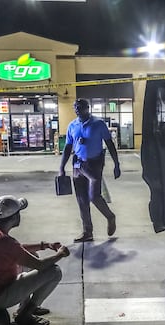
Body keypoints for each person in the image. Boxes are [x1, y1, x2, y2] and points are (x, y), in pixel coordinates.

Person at [0, 195, 70, 325]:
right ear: (14, 218)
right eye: (19, 213)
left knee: (31, 256)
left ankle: (24, 307)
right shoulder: (3, 241)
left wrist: (45, 245)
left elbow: (18, 250)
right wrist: (60, 254)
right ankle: (25, 315)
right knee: (54, 271)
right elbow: (39, 265)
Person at [59, 98, 121, 242]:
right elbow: (68, 147)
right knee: (81, 199)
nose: (77, 109)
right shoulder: (72, 126)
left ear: (88, 108)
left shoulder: (98, 124)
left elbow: (110, 144)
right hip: (77, 165)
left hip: (94, 165)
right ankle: (87, 231)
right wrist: (61, 167)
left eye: (80, 107)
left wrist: (116, 164)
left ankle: (110, 216)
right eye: (75, 107)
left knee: (94, 196)